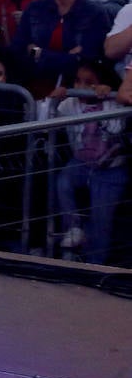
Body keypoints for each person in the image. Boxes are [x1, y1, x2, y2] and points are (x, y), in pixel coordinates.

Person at [55, 60, 126, 264]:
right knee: (63, 183)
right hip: (80, 163)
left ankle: (96, 265)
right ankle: (73, 227)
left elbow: (115, 129)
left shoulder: (112, 102)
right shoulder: (70, 104)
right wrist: (58, 96)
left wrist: (107, 95)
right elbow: (46, 119)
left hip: (110, 169)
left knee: (101, 218)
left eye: (90, 82)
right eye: (78, 81)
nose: (81, 87)